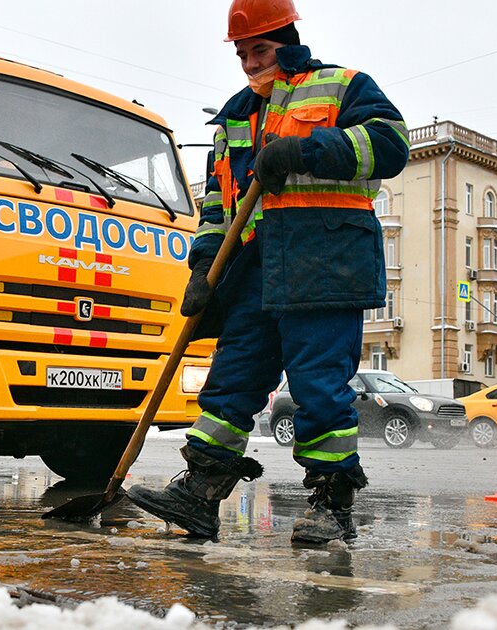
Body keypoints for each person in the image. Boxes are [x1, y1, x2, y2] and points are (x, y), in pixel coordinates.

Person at [129, 0, 409, 544]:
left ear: (286, 39)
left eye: (258, 49)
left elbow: (391, 145)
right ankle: (200, 494)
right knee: (231, 382)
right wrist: (205, 267)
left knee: (319, 388)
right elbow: (219, 202)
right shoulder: (235, 116)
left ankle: (330, 505)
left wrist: (307, 150)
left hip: (324, 264)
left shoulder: (342, 85)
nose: (249, 62)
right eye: (241, 53)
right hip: (255, 268)